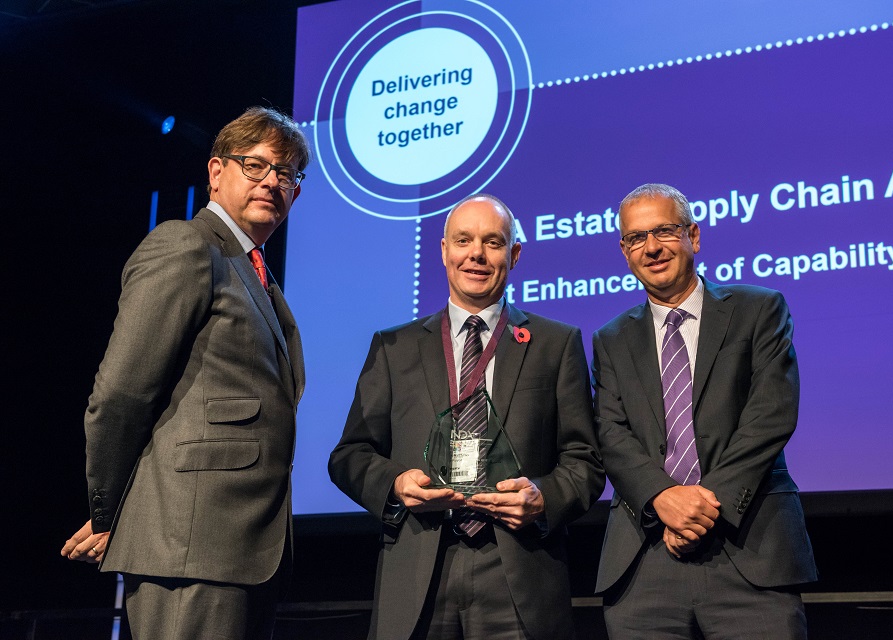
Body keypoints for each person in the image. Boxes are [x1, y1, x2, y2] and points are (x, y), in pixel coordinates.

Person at [61, 106, 309, 640]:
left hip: (240, 548)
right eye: (256, 165)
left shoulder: (258, 274)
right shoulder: (186, 245)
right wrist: (109, 515)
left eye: (286, 173)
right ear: (216, 172)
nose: (272, 181)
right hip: (192, 547)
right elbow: (121, 394)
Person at [329, 194, 604, 640]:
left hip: (518, 566)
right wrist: (396, 484)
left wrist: (543, 498)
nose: (476, 253)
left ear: (514, 255)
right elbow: (350, 455)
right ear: (443, 251)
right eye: (463, 240)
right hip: (420, 566)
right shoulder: (393, 347)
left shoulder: (556, 344)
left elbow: (585, 460)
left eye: (492, 242)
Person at [593, 183, 817, 639]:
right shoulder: (610, 339)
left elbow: (771, 415)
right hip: (645, 556)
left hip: (749, 547)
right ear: (624, 250)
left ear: (693, 236)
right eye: (636, 238)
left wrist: (697, 508)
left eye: (664, 232)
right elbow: (610, 434)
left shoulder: (759, 309)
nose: (651, 248)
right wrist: (663, 499)